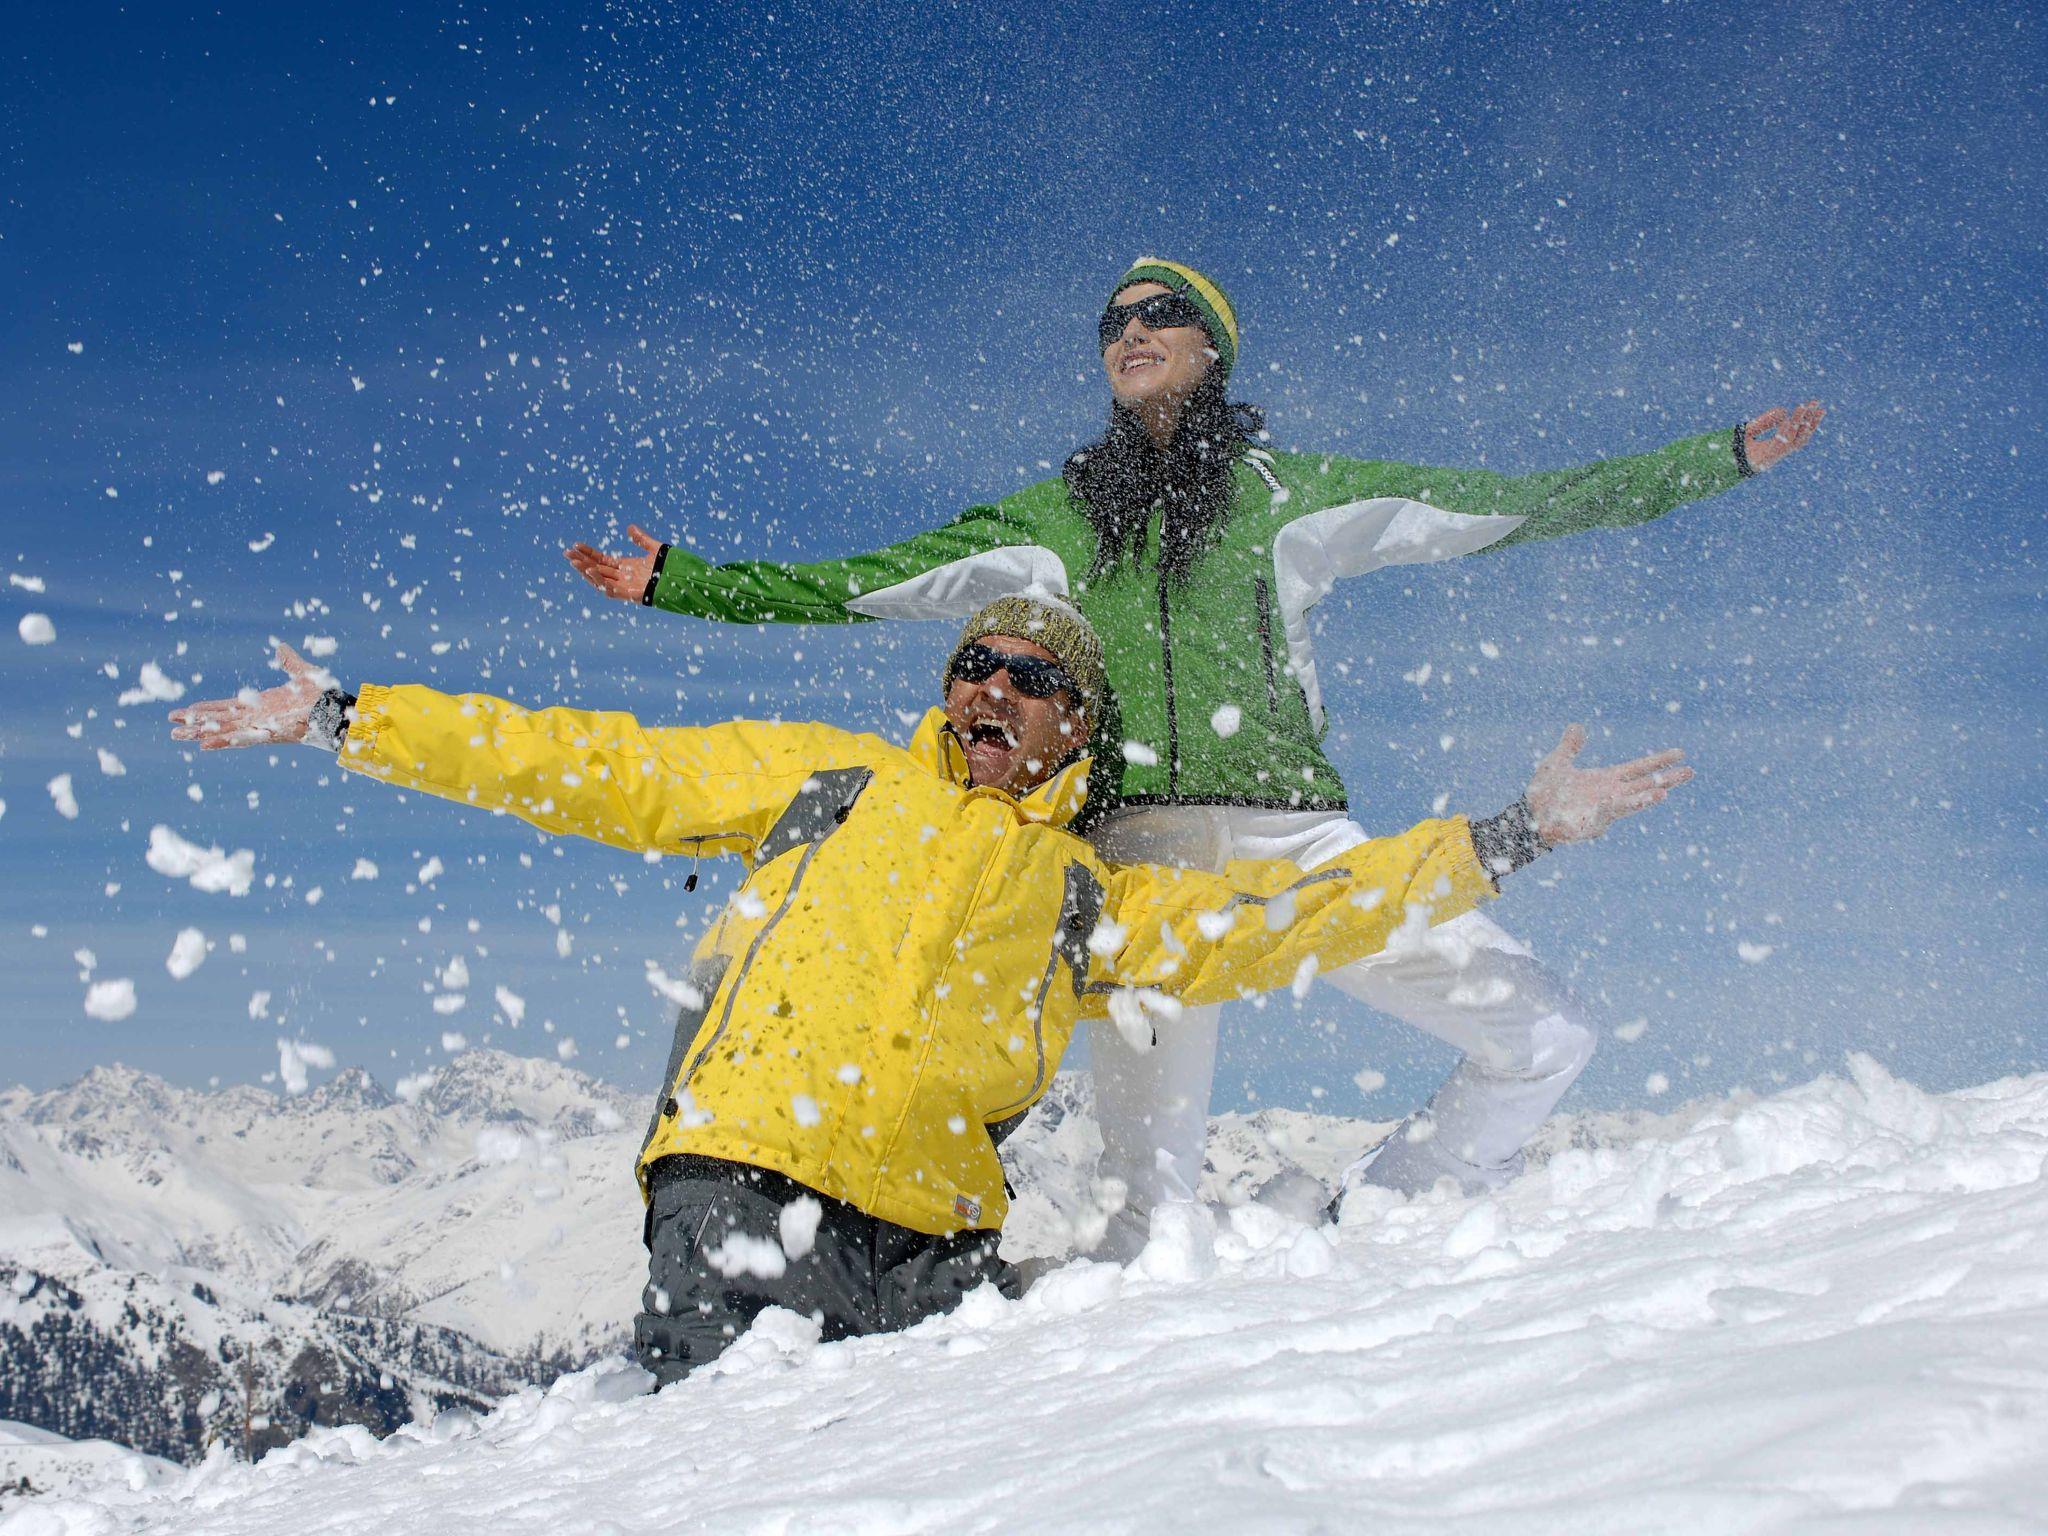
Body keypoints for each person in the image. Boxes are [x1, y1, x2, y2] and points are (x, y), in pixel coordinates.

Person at [564, 258, 1822, 1253]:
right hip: (1136, 864)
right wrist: (686, 582)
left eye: (1158, 313)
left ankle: (1383, 1219)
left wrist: (1712, 460)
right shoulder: (1052, 521)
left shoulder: (1293, 495)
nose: (1129, 331)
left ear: (1210, 345)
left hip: (1295, 836)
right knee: (1145, 1207)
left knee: (1542, 1035)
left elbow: (1512, 505)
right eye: (1111, 321)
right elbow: (862, 580)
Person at [170, 594, 1690, 1383]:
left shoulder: (1087, 895)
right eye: (973, 665)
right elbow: (594, 763)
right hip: (745, 1185)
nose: (988, 690)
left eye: (1029, 679)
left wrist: (1508, 836)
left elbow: (1284, 920)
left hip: (934, 1249)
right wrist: (352, 720)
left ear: (1075, 727)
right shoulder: (831, 782)